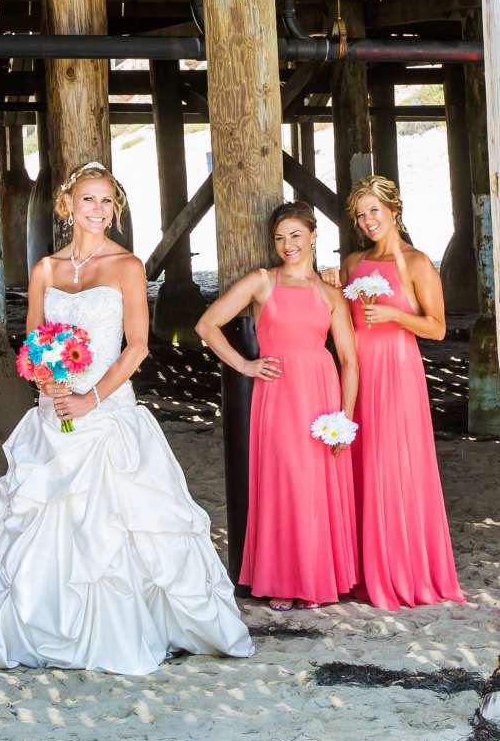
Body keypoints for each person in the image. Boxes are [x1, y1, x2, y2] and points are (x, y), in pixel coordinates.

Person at [0, 161, 252, 677]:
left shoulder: (126, 266)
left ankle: (127, 627)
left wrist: (91, 399)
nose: (98, 210)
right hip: (52, 409)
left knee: (114, 526)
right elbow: (34, 340)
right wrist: (44, 379)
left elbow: (139, 348)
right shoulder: (46, 270)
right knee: (41, 519)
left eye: (107, 202)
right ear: (68, 205)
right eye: (88, 200)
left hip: (106, 413)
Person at [193, 202, 359, 611]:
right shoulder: (263, 282)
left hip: (321, 396)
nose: (288, 245)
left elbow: (350, 360)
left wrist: (346, 419)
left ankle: (316, 580)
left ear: (314, 236)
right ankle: (284, 580)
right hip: (279, 395)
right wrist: (245, 365)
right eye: (281, 238)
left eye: (296, 236)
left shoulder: (330, 293)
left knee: (316, 485)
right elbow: (206, 325)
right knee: (286, 482)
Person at [337, 177, 463, 608]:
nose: (368, 220)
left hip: (397, 370)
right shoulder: (353, 262)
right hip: (357, 369)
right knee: (358, 463)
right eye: (361, 214)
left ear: (394, 210)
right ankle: (358, 568)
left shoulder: (417, 262)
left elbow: (439, 327)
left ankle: (400, 568)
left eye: (375, 210)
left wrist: (393, 313)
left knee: (393, 465)